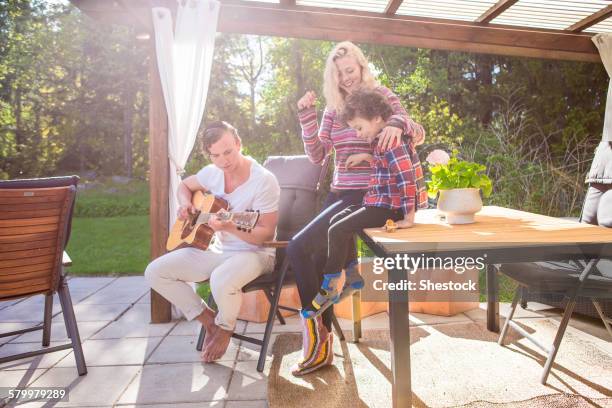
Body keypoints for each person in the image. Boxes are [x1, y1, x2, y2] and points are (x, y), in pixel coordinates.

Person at [289, 41, 425, 376]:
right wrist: (306, 117)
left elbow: (416, 133)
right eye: (339, 74)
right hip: (339, 192)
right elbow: (318, 155)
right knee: (304, 250)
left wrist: (398, 124)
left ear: (362, 67)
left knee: (303, 248)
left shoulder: (383, 96)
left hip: (372, 195)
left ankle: (320, 338)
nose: (346, 78)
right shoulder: (332, 109)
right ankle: (319, 335)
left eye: (350, 70)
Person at [145, 121, 280, 363]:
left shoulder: (263, 180)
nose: (223, 161)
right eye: (215, 155)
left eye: (228, 152)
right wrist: (186, 204)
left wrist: (229, 225)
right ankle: (208, 320)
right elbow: (185, 186)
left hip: (256, 253)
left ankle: (225, 328)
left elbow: (266, 234)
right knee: (155, 272)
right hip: (218, 250)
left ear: (239, 144)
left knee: (220, 279)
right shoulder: (212, 172)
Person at [304, 88, 428, 320]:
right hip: (380, 202)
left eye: (359, 128)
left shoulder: (393, 140)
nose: (358, 134)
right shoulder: (381, 141)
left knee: (338, 228)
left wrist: (408, 217)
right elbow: (389, 167)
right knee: (339, 219)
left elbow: (406, 178)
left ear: (377, 119)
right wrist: (366, 158)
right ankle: (352, 274)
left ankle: (329, 287)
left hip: (390, 207)